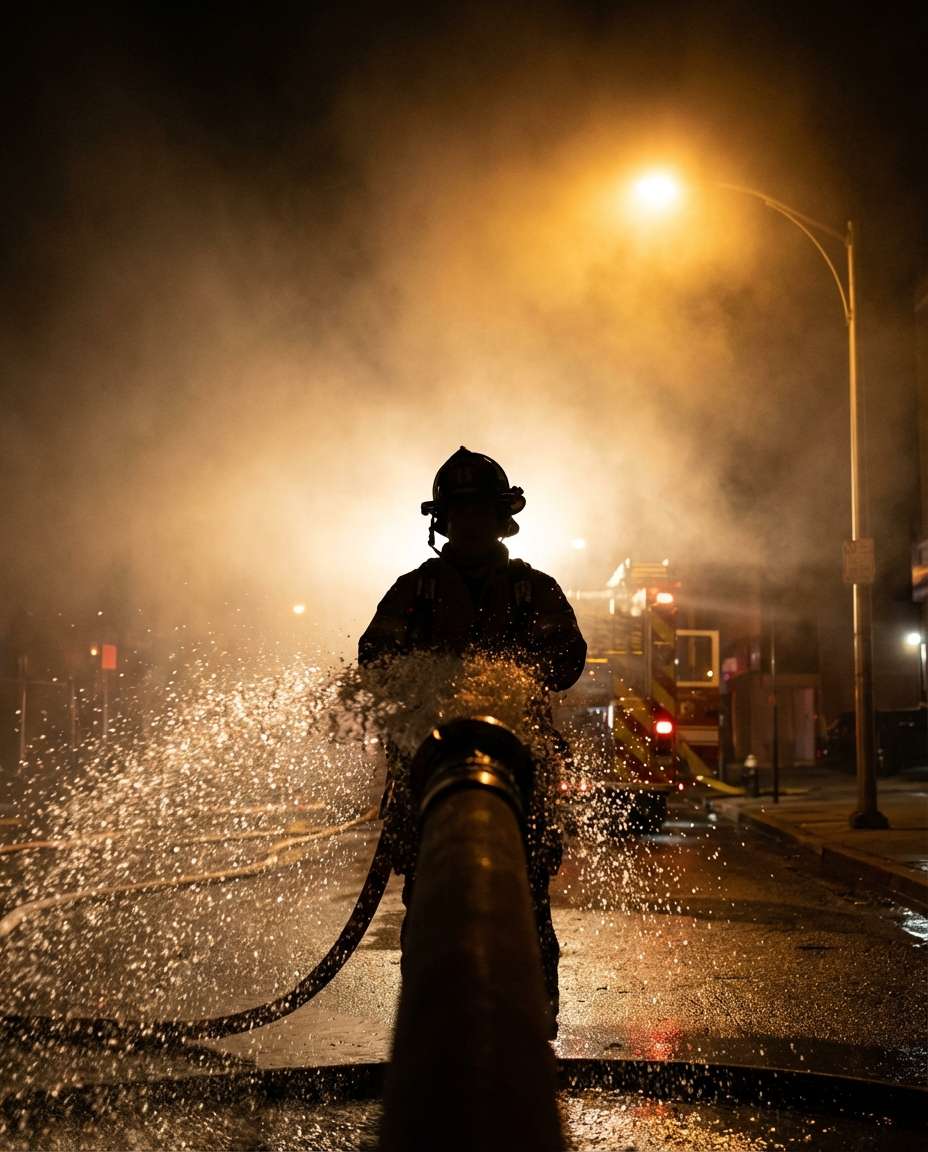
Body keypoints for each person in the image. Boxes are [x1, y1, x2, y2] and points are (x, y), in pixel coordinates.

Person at [358, 446, 587, 1035]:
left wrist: (514, 669)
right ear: (443, 521)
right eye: (458, 514)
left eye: (479, 512)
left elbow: (567, 661)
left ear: (500, 517)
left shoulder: (533, 591)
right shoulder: (414, 592)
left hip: (520, 779)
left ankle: (532, 1036)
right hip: (428, 780)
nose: (469, 524)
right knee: (430, 906)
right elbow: (373, 660)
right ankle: (431, 1035)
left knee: (526, 900)